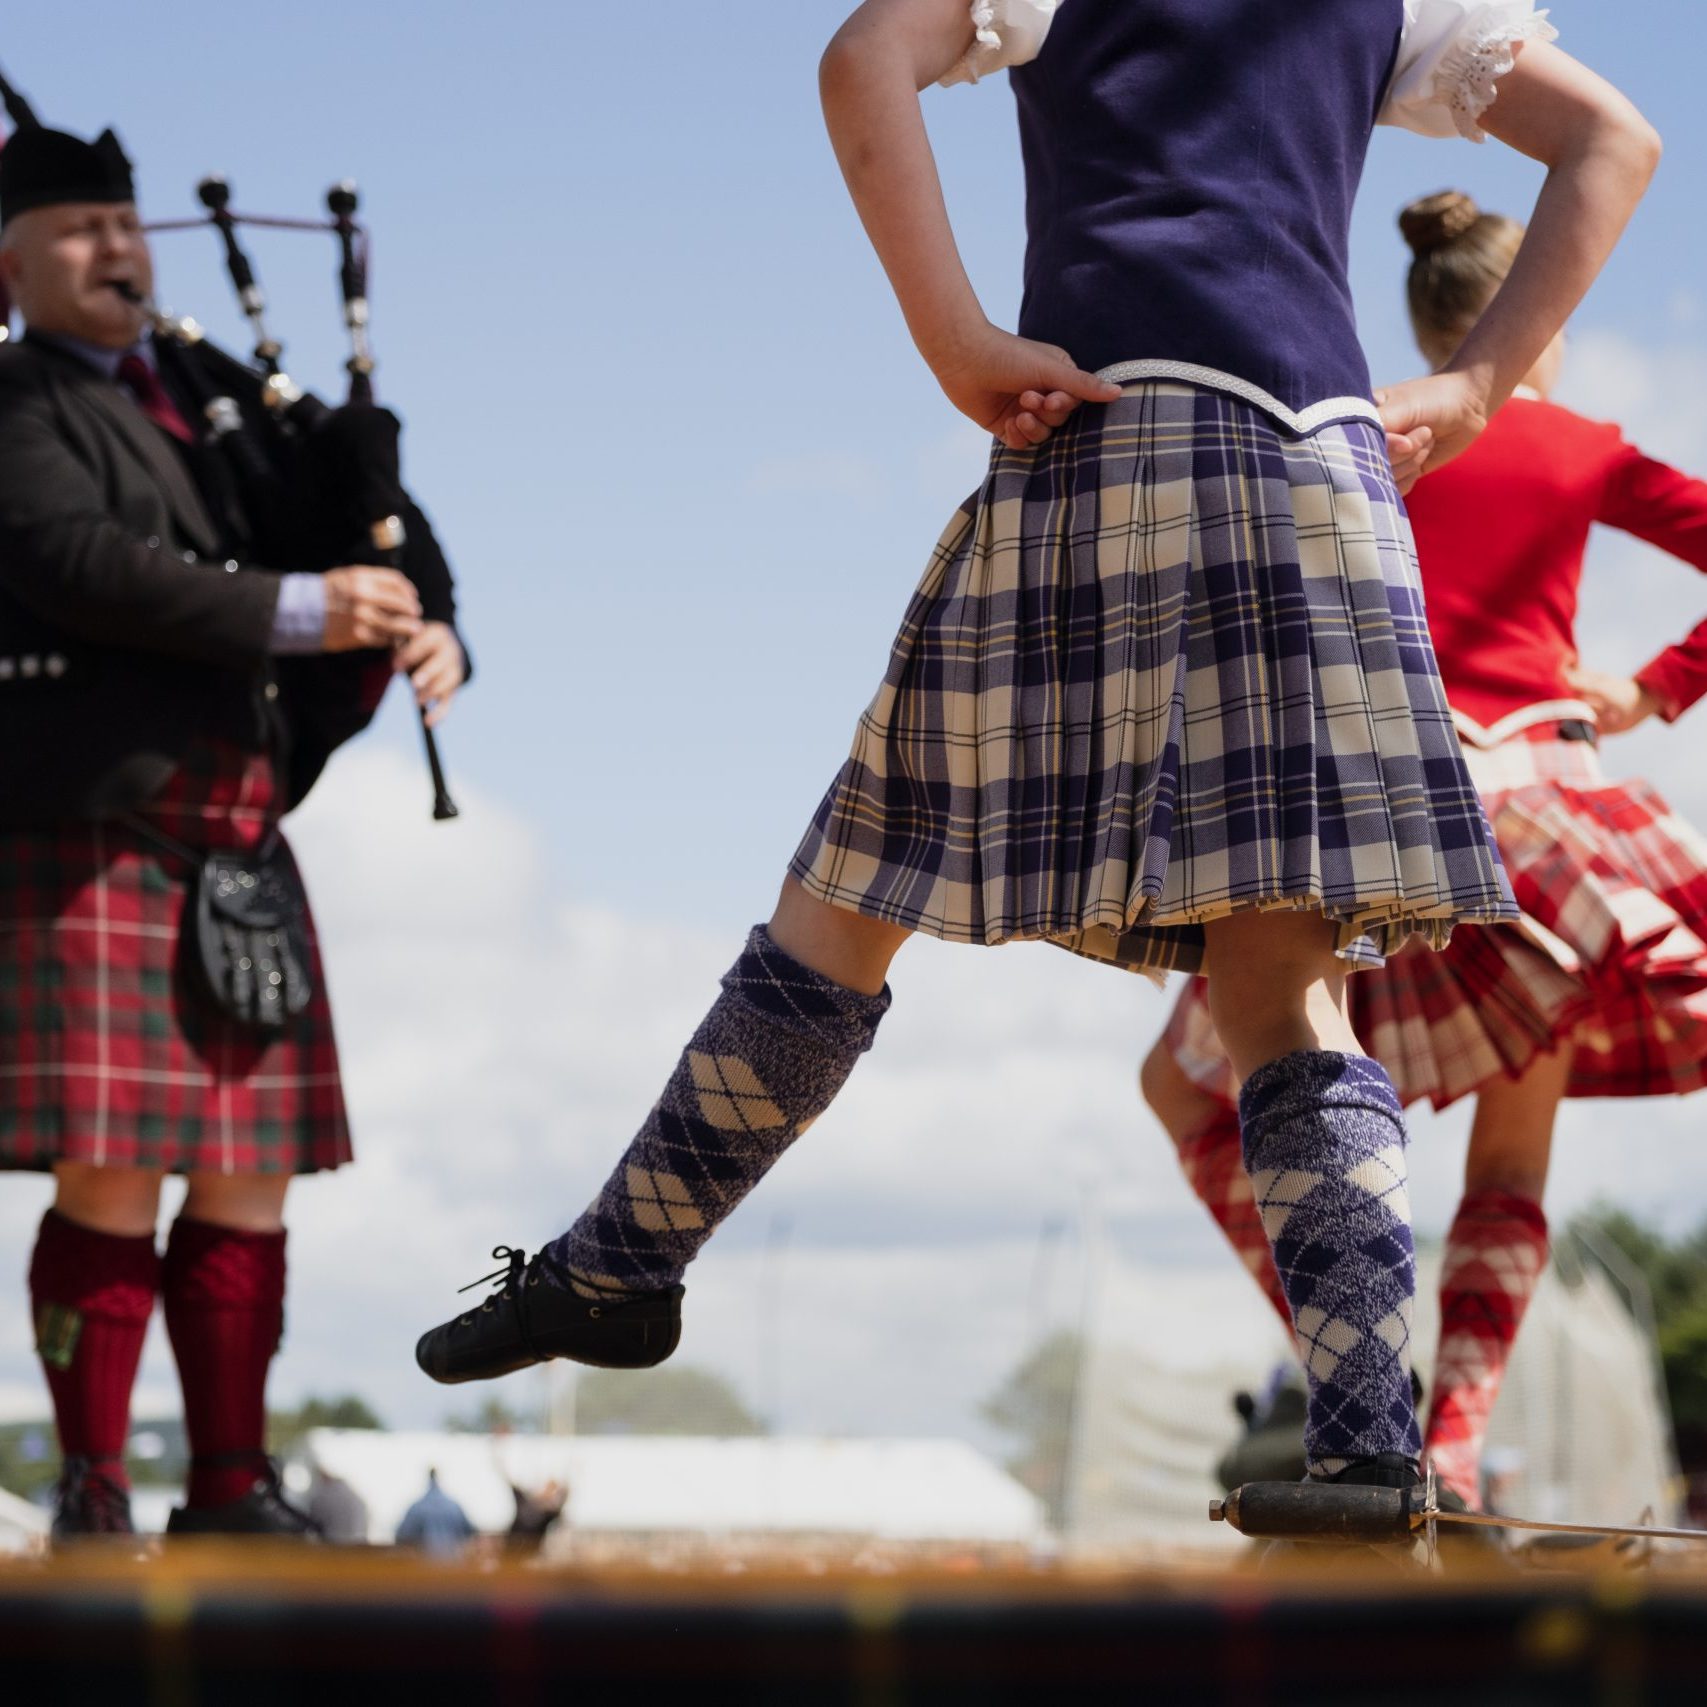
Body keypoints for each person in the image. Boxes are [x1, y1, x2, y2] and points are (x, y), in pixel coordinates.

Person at [416, 0, 1658, 1519]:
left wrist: (953, 339)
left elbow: (860, 54)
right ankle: (1366, 1447)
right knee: (1283, 982)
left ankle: (622, 1259)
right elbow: (1616, 135)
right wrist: (1472, 388)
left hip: (1113, 425)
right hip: (1313, 464)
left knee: (852, 887)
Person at [1142, 187, 1707, 1511]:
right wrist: (1651, 688)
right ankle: (1444, 1441)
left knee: (1193, 1095)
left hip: (1374, 823)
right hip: (1542, 824)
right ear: (1540, 317)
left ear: (1415, 316)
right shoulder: (1578, 446)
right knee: (1508, 1160)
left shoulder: (1366, 431)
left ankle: (1357, 1380)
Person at [0, 117, 470, 1539]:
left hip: (238, 830)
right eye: (80, 231)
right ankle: (91, 1486)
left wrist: (424, 616)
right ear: (10, 264)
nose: (116, 250)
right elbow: (70, 561)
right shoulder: (18, 399)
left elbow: (351, 502)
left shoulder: (205, 389)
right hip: (98, 819)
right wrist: (299, 608)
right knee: (115, 1162)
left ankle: (226, 1487)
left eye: (125, 226)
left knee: (250, 1171)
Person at [394, 1468, 475, 1561]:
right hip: (453, 1564)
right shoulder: (454, 1506)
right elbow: (470, 1531)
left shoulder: (417, 1507)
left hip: (424, 1565)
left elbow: (402, 1535)